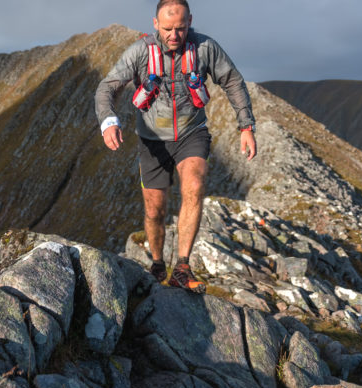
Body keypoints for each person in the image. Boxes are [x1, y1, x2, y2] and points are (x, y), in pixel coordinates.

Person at [95, 0, 256, 293]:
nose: (174, 35)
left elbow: (232, 81)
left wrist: (246, 126)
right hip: (152, 140)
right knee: (155, 210)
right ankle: (158, 265)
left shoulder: (205, 48)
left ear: (190, 21)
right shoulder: (140, 52)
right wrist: (108, 121)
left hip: (192, 134)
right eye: (168, 28)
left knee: (194, 185)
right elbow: (108, 87)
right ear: (155, 24)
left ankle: (182, 267)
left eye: (181, 28)